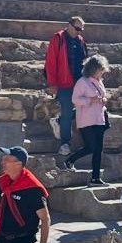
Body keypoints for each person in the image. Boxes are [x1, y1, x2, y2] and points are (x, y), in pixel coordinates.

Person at [44, 17, 87, 151]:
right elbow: (51, 62)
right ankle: (65, 143)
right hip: (64, 83)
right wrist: (52, 83)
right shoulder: (58, 38)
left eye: (81, 30)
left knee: (83, 109)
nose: (78, 32)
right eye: (77, 28)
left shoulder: (80, 40)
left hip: (79, 83)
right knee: (67, 111)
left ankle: (58, 121)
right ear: (69, 25)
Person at [65, 56, 109, 185]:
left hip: (99, 119)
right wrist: (90, 100)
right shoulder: (82, 82)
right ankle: (70, 160)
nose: (101, 73)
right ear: (93, 69)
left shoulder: (99, 82)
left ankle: (96, 177)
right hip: (86, 120)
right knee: (91, 147)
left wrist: (103, 100)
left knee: (98, 150)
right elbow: (75, 100)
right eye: (100, 70)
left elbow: (102, 96)